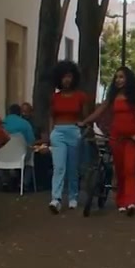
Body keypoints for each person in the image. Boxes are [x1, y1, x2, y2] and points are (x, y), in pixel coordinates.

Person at [84, 67, 135, 215]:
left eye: (122, 77)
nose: (118, 80)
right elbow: (99, 111)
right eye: (117, 77)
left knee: (130, 169)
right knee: (119, 170)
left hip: (132, 137)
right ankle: (121, 200)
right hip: (116, 137)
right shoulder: (112, 96)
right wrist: (85, 121)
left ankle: (131, 201)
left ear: (128, 79)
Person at [48, 60, 89, 213]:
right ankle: (56, 198)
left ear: (74, 78)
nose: (66, 80)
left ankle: (73, 196)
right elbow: (51, 116)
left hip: (74, 132)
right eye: (64, 77)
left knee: (73, 168)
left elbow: (85, 117)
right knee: (59, 167)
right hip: (58, 132)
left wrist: (82, 128)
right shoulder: (55, 97)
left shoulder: (81, 96)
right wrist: (50, 133)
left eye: (69, 76)